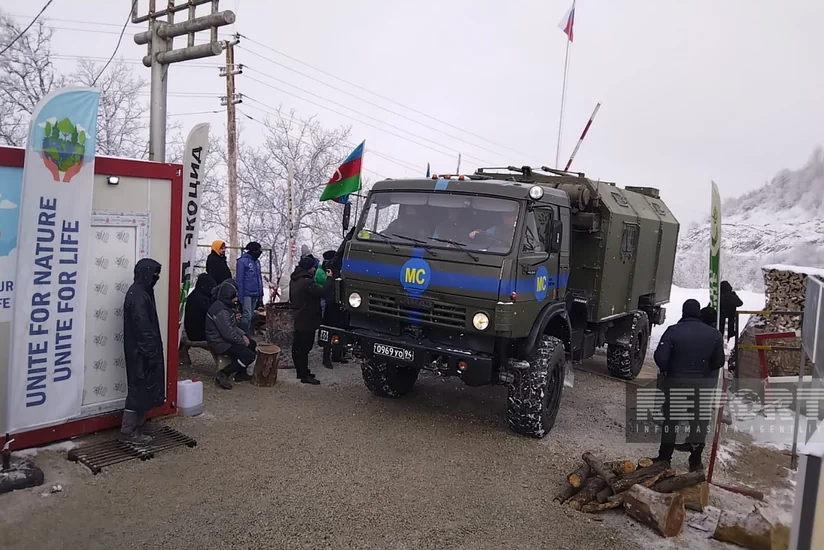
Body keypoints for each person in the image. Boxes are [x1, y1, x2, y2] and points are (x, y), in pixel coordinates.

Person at [653, 299, 725, 471]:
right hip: (702, 386)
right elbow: (719, 362)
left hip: (676, 383)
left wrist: (670, 369)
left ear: (684, 312)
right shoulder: (714, 335)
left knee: (671, 421)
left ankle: (664, 458)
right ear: (698, 312)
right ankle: (695, 461)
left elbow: (660, 358)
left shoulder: (673, 331)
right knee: (698, 422)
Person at [121, 258, 166, 443]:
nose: (156, 278)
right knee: (138, 389)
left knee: (145, 387)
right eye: (154, 274)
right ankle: (128, 431)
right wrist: (151, 353)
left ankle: (139, 424)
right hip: (140, 351)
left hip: (143, 350)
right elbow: (143, 328)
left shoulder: (143, 292)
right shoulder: (139, 295)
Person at [205, 280, 257, 389]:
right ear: (227, 297)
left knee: (252, 344)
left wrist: (243, 335)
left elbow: (232, 327)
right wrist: (242, 341)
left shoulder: (224, 306)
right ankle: (224, 373)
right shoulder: (221, 311)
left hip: (223, 339)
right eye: (234, 297)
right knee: (249, 356)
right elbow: (227, 333)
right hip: (219, 342)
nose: (236, 299)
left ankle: (241, 373)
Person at [290, 255, 333, 384]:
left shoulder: (295, 280)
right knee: (304, 348)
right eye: (313, 267)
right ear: (309, 269)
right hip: (307, 319)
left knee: (298, 347)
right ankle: (304, 375)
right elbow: (323, 292)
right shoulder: (307, 283)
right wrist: (329, 279)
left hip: (299, 316)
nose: (315, 269)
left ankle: (301, 371)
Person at [321, 249, 348, 369]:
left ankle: (336, 355)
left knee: (339, 331)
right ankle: (326, 358)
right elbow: (326, 291)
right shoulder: (330, 270)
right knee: (329, 332)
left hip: (338, 306)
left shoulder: (336, 271)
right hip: (331, 306)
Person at [236, 241, 264, 333]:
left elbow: (259, 278)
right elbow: (239, 280)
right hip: (246, 293)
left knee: (251, 315)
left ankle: (246, 333)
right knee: (247, 315)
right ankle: (242, 334)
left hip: (255, 293)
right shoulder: (242, 262)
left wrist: (261, 292)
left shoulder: (257, 262)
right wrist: (240, 296)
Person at [184, 273, 216, 342]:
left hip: (193, 331)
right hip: (198, 334)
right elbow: (212, 313)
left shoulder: (195, 295)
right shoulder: (201, 299)